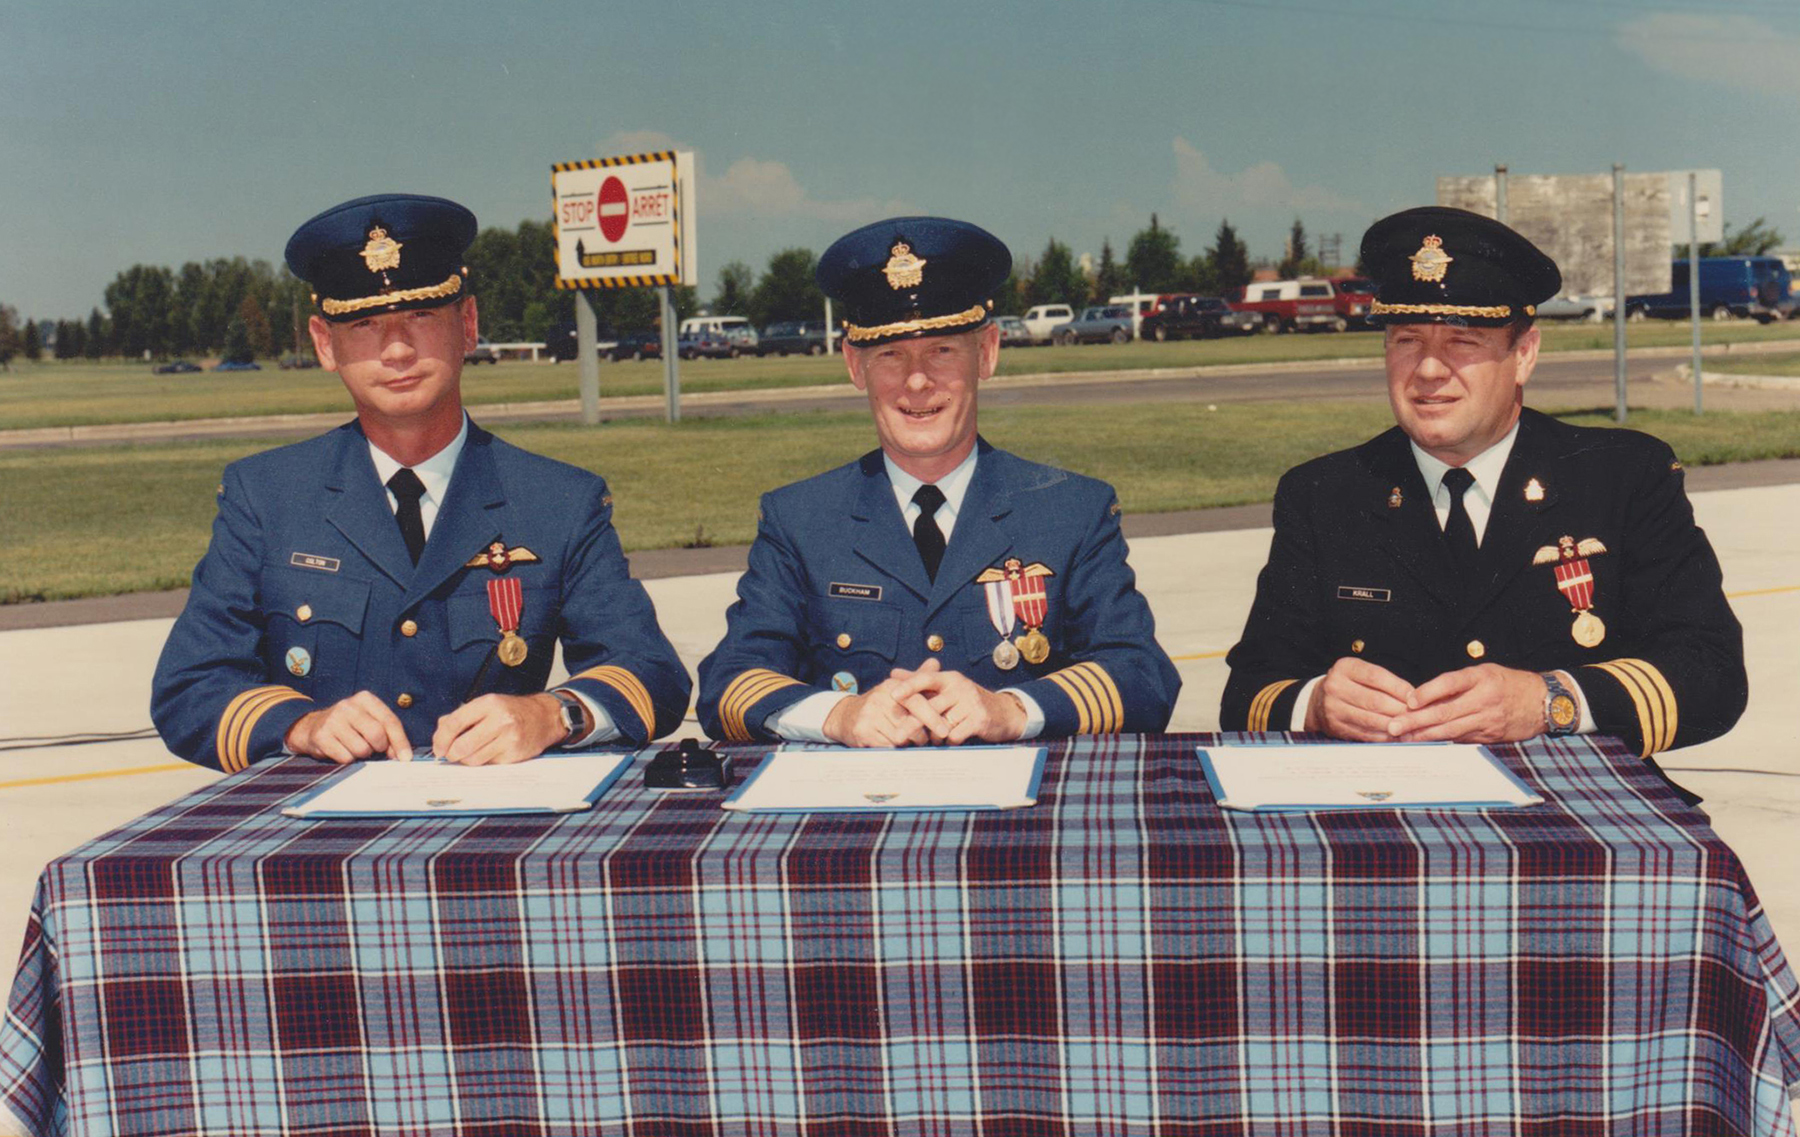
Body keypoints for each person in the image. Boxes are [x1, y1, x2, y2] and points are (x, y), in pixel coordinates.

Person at [152, 194, 690, 772]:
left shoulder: (558, 502)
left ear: (469, 325)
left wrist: (555, 714)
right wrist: (301, 726)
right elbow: (190, 687)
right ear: (324, 343)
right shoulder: (267, 496)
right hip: (315, 836)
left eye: (423, 316)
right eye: (364, 324)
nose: (398, 349)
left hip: (494, 826)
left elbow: (650, 672)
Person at [1221, 206, 1745, 778]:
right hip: (1381, 809)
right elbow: (1247, 694)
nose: (1427, 370)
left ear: (1524, 355)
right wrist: (1315, 703)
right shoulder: (1324, 495)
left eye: (1462, 342)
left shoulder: (1622, 477)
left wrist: (1551, 702)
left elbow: (1712, 674)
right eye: (1406, 340)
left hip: (1576, 806)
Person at [697, 216, 1180, 746]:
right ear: (855, 367)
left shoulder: (1071, 511)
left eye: (943, 350)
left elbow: (1142, 675)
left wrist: (1013, 708)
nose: (918, 380)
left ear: (988, 352)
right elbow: (729, 683)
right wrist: (838, 716)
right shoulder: (802, 519)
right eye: (890, 354)